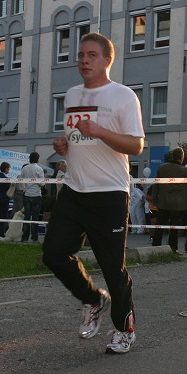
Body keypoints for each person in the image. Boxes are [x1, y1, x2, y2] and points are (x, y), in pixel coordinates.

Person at [41, 32, 145, 354]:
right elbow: (76, 140)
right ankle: (92, 298)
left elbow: (136, 146)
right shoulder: (72, 95)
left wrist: (100, 130)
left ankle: (123, 329)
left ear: (107, 60)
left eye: (91, 55)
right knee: (54, 254)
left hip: (109, 193)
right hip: (74, 189)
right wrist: (63, 145)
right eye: (81, 55)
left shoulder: (123, 96)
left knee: (113, 267)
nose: (84, 60)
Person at [151, 147, 187, 254]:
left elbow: (156, 184)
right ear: (182, 158)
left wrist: (155, 199)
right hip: (177, 205)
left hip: (163, 203)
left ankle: (154, 248)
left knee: (159, 226)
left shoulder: (162, 168)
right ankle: (173, 249)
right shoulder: (182, 169)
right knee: (174, 228)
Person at [20, 153, 45, 242]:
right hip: (36, 194)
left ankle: (25, 237)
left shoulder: (24, 168)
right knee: (35, 217)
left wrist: (24, 189)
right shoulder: (39, 169)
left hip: (26, 194)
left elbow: (21, 180)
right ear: (37, 159)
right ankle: (34, 237)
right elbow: (42, 183)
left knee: (26, 216)